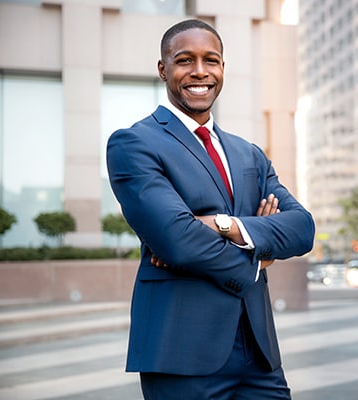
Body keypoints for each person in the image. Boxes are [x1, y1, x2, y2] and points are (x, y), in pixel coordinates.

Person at [107, 19, 315, 400]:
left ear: (222, 69)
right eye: (185, 60)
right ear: (163, 69)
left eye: (211, 60)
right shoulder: (134, 144)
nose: (200, 72)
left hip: (260, 356)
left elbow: (302, 229)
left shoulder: (248, 153)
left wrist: (227, 225)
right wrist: (258, 258)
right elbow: (178, 241)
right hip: (182, 353)